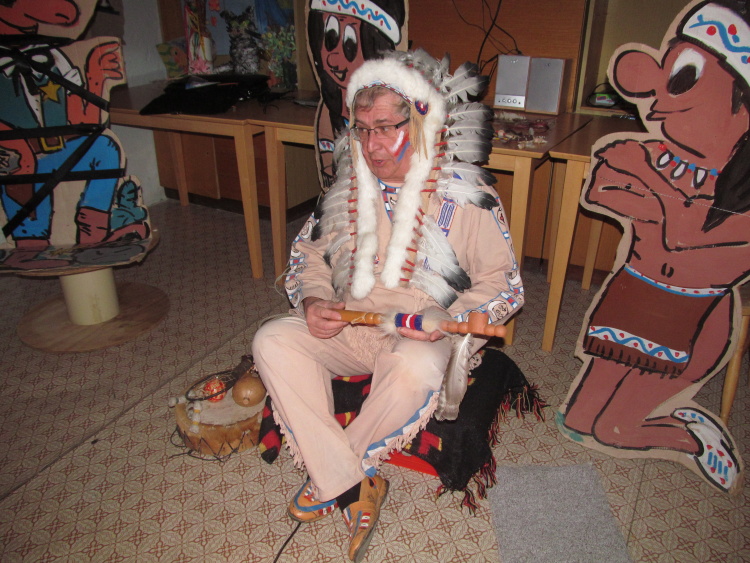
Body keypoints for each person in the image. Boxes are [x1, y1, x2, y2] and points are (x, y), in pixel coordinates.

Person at [253, 50, 524, 561]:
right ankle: (355, 482)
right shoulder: (347, 188)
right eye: (361, 130)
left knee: (413, 367)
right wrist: (313, 299)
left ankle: (336, 474)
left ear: (420, 123)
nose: (371, 145)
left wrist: (446, 319)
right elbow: (307, 256)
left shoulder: (467, 195)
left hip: (422, 332)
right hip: (350, 324)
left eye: (384, 129)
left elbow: (505, 284)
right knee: (272, 340)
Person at [558, 0, 750, 494]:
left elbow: (686, 239)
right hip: (631, 298)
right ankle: (648, 414)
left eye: (684, 77)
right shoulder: (646, 152)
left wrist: (657, 200)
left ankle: (692, 437)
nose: (657, 97)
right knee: (577, 421)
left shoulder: (739, 193)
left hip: (691, 322)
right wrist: (665, 207)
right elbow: (602, 187)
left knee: (613, 430)